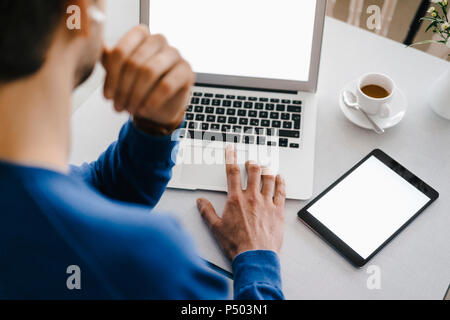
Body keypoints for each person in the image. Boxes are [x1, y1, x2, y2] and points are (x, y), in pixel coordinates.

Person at [0, 0, 286, 299]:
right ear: (82, 11)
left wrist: (155, 130)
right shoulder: (151, 262)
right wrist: (258, 260)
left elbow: (88, 194)